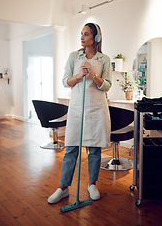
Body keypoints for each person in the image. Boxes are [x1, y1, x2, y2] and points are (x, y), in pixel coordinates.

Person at [48, 23, 112, 204]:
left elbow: (107, 85)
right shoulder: (74, 57)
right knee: (71, 148)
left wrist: (93, 75)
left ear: (96, 38)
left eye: (86, 34)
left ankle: (92, 184)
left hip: (96, 108)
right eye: (81, 34)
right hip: (77, 108)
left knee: (94, 149)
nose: (82, 38)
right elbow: (65, 81)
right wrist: (78, 77)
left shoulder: (104, 59)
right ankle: (63, 187)